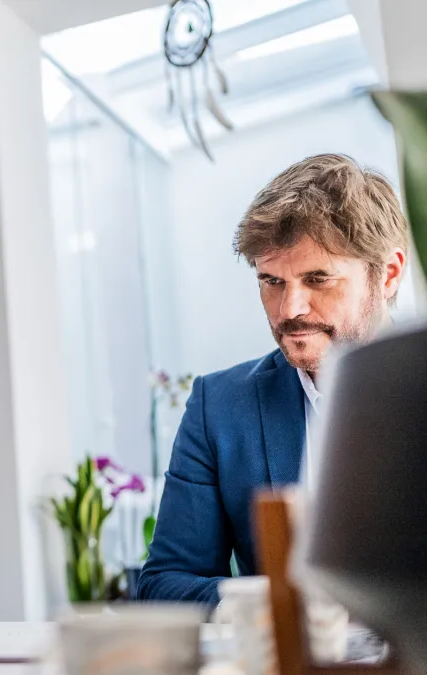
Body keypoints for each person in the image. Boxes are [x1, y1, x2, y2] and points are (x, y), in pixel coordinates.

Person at [138, 154, 409, 604]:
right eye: (272, 281)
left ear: (389, 275)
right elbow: (165, 584)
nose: (289, 309)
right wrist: (286, 604)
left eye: (318, 279)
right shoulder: (219, 406)